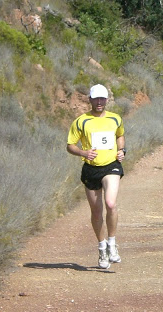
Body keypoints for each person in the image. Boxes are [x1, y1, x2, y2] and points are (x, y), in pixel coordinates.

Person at [67, 84, 126, 269]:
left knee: (111, 203)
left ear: (107, 100)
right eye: (96, 99)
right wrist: (84, 153)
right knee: (96, 211)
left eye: (102, 99)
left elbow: (120, 136)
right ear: (90, 100)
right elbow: (70, 145)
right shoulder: (81, 121)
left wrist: (122, 150)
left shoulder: (115, 118)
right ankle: (102, 249)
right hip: (91, 169)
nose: (99, 102)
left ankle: (112, 244)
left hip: (111, 166)